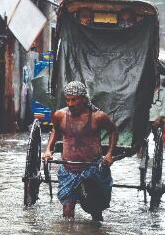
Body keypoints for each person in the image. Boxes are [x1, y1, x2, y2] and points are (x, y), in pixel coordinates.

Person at [42, 81, 119, 221]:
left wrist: (109, 154)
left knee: (95, 212)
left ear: (83, 99)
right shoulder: (60, 115)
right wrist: (48, 150)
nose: (70, 104)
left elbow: (113, 130)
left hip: (92, 168)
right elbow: (55, 132)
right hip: (68, 169)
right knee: (67, 210)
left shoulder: (98, 117)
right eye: (68, 100)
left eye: (74, 99)